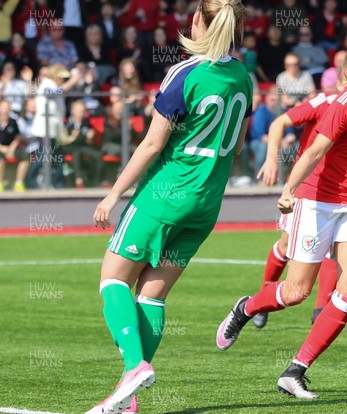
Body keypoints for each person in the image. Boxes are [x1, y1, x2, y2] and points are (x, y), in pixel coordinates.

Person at [217, 29, 347, 398]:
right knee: (297, 291)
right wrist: (288, 190)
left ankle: (296, 370)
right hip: (318, 197)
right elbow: (314, 151)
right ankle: (246, 307)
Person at [86, 1, 252, 412]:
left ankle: (132, 369)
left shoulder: (186, 72)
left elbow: (152, 143)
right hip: (207, 204)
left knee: (113, 281)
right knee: (153, 297)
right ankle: (129, 400)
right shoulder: (242, 76)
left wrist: (113, 194)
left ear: (198, 20)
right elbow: (240, 143)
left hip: (166, 194)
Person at [251, 50, 347, 329]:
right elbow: (280, 122)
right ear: (339, 83)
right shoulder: (323, 102)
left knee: (333, 250)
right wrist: (271, 159)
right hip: (307, 190)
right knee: (286, 245)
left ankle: (320, 308)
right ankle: (263, 296)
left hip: (340, 193)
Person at [59, 100, 103, 188]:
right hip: (69, 147)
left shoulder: (86, 123)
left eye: (83, 111)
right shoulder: (66, 123)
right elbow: (62, 141)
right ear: (72, 111)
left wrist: (90, 137)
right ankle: (78, 179)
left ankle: (96, 180)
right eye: (78, 111)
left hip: (83, 147)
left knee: (98, 155)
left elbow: (89, 142)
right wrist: (72, 137)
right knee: (76, 153)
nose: (81, 113)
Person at [0, 99, 21, 192]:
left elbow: (17, 137)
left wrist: (12, 148)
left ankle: (19, 183)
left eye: (7, 108)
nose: (5, 110)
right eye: (3, 108)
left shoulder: (13, 122)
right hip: (1, 149)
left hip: (12, 148)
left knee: (26, 156)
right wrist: (2, 148)